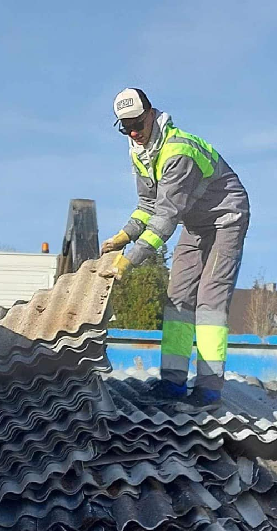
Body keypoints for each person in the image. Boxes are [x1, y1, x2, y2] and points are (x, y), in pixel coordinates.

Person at [102, 88, 250, 405]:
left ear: (151, 114)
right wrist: (123, 236)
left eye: (137, 124)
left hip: (227, 218)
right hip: (195, 222)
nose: (133, 133)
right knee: (178, 297)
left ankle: (209, 388)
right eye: (125, 128)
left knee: (210, 300)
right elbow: (147, 205)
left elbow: (165, 218)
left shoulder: (176, 152)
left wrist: (130, 260)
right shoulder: (140, 153)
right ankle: (173, 383)